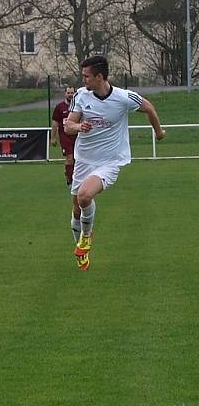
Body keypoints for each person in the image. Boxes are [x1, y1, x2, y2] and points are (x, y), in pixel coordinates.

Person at [64, 55, 164, 271]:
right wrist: (78, 127)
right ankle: (81, 249)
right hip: (83, 160)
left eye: (87, 76)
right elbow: (68, 125)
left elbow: (149, 108)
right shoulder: (81, 96)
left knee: (84, 195)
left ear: (100, 76)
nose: (83, 81)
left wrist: (158, 132)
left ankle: (87, 236)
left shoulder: (123, 98)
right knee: (76, 210)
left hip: (109, 161)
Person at [51, 85, 78, 189]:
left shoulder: (78, 106)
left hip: (77, 136)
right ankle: (70, 181)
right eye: (69, 93)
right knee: (70, 159)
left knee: (77, 159)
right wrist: (53, 137)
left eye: (72, 93)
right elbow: (55, 123)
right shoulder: (60, 107)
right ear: (65, 93)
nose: (70, 95)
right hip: (65, 137)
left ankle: (74, 178)